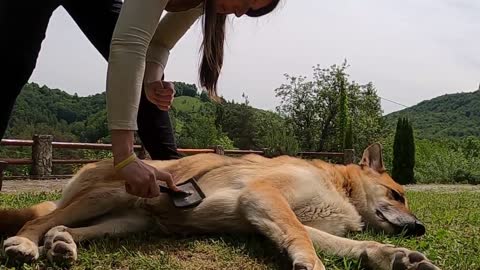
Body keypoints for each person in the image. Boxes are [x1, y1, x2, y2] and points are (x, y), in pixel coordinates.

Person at [0, 0, 279, 198]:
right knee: (13, 65)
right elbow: (129, 45)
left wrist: (152, 81)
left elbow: (158, 45)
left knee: (139, 73)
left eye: (251, 11)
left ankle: (176, 179)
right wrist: (124, 158)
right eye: (249, 0)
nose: (241, 13)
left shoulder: (199, 3)